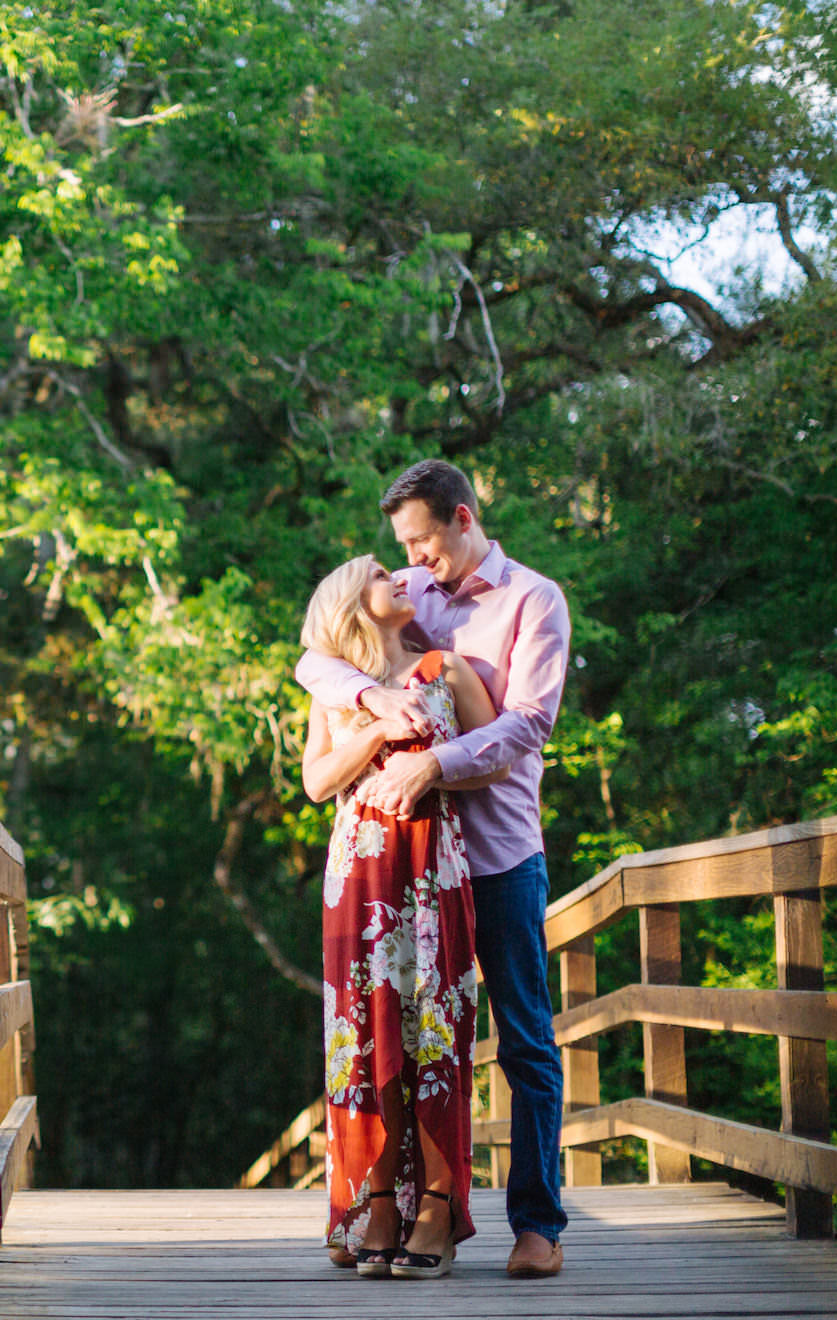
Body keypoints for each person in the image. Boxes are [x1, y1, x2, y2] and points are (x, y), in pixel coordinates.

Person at [297, 459, 571, 1279]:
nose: (412, 560)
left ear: (460, 516)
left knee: (520, 1037)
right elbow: (322, 657)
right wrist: (378, 709)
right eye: (400, 549)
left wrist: (433, 764)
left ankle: (538, 1224)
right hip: (398, 874)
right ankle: (399, 1208)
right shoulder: (412, 602)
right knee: (397, 1042)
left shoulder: (533, 600)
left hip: (496, 852)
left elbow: (528, 725)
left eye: (420, 541)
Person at [301, 554, 503, 1280]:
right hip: (358, 872)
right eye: (382, 573)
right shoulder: (334, 684)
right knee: (365, 1038)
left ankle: (439, 1206)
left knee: (435, 1033)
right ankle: (377, 1200)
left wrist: (431, 759)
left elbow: (495, 758)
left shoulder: (446, 667)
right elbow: (318, 781)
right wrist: (378, 735)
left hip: (430, 864)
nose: (399, 578)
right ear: (354, 602)